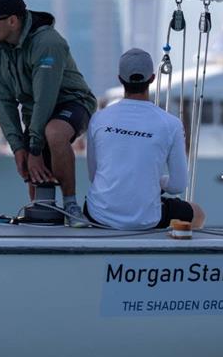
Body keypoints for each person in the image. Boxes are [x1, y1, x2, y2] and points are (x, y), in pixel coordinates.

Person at [0, 0, 97, 227]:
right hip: (37, 111)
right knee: (32, 161)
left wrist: (35, 148)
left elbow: (46, 97)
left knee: (52, 134)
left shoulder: (48, 43)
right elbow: (3, 101)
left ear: (12, 21)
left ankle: (71, 205)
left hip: (73, 102)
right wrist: (19, 148)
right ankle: (43, 212)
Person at [84, 48, 204, 230]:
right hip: (146, 219)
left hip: (98, 215)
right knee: (197, 213)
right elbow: (178, 185)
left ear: (120, 79)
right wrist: (157, 180)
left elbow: (94, 176)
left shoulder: (99, 118)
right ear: (152, 79)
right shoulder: (171, 124)